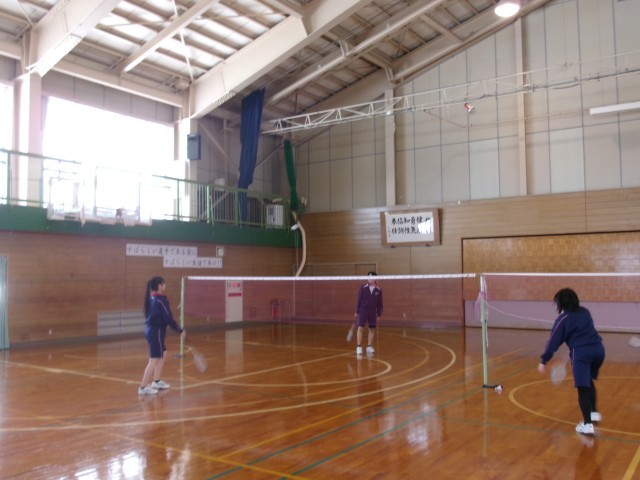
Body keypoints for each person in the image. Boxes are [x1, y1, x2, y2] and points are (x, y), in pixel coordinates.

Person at [537, 288, 605, 435]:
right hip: (599, 350)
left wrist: (543, 360)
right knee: (588, 381)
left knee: (583, 388)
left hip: (582, 355)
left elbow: (553, 343)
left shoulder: (563, 319)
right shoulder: (585, 312)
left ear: (560, 303)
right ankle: (593, 413)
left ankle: (587, 425)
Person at [139, 276, 186, 395]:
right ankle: (143, 387)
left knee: (163, 354)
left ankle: (156, 381)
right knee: (154, 359)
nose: (165, 285)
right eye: (163, 283)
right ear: (159, 286)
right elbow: (168, 318)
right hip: (156, 332)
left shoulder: (152, 298)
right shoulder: (160, 301)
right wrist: (180, 330)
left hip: (151, 330)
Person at [354, 272, 383, 356]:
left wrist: (379, 314)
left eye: (372, 277)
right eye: (369, 277)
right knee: (360, 328)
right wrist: (357, 311)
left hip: (372, 311)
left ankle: (369, 346)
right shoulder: (363, 288)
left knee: (372, 329)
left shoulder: (379, 290)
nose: (370, 279)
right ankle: (359, 347)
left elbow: (380, 303)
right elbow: (359, 300)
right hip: (363, 310)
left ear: (375, 279)